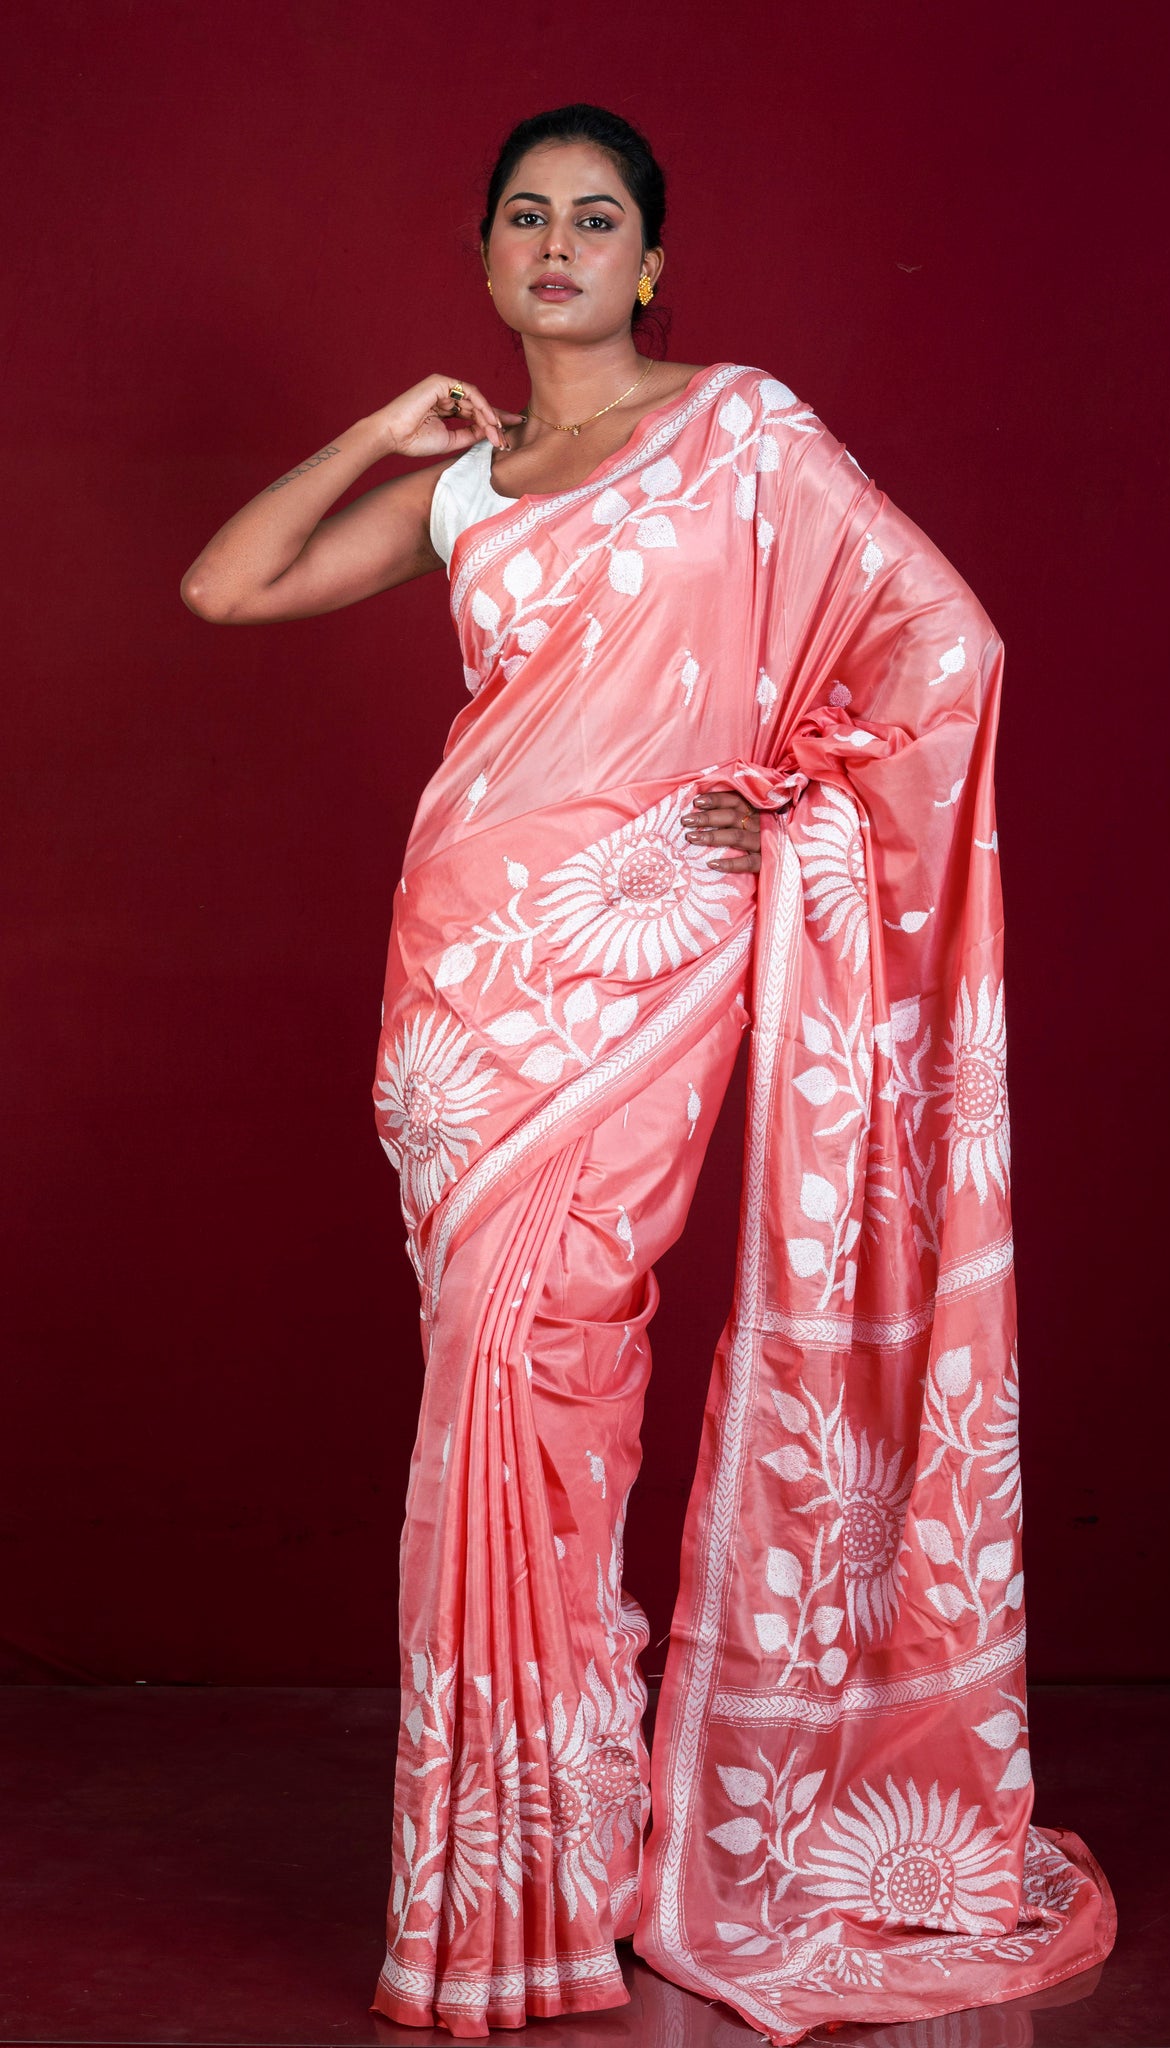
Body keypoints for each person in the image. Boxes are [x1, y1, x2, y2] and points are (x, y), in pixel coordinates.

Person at [181, 102, 1115, 2047]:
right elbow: (225, 588)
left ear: (653, 261)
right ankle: (514, 1886)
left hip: (647, 963)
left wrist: (795, 803)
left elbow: (943, 644)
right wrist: (382, 435)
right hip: (463, 985)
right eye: (525, 216)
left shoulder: (745, 434)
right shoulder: (470, 484)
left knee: (557, 1379)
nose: (558, 245)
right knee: (483, 1392)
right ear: (485, 255)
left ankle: (556, 1868)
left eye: (595, 218)